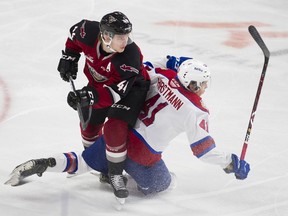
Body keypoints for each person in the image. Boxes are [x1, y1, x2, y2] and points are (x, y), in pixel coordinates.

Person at [5, 56, 250, 198]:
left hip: (119, 135)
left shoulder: (163, 76)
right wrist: (230, 162)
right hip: (144, 156)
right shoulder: (196, 110)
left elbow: (150, 64)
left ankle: (48, 162)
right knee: (164, 185)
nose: (206, 87)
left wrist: (175, 60)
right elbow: (203, 151)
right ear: (194, 84)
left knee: (84, 161)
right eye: (204, 83)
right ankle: (123, 176)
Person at [56, 11, 150, 199]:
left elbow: (116, 93)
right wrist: (70, 56)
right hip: (100, 86)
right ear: (106, 36)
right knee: (88, 123)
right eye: (121, 37)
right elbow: (73, 36)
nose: (125, 41)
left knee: (114, 127)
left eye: (127, 36)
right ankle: (100, 165)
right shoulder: (88, 31)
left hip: (132, 91)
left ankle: (114, 173)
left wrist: (89, 96)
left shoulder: (130, 56)